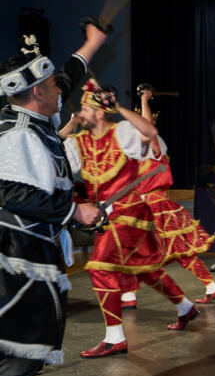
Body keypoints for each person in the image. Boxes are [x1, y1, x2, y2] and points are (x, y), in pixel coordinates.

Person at [0, 26, 106, 376]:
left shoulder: (38, 118)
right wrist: (74, 211)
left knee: (34, 338)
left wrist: (93, 43)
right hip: (16, 254)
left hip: (36, 249)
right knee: (24, 343)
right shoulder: (18, 134)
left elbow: (67, 73)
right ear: (34, 93)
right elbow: (10, 193)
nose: (59, 89)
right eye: (50, 86)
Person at [64, 79, 200, 358]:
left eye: (84, 109)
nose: (80, 114)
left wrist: (120, 107)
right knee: (144, 270)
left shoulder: (122, 132)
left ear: (99, 112)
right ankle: (186, 307)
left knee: (99, 266)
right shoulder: (78, 143)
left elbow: (150, 131)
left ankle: (115, 338)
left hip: (132, 214)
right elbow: (53, 160)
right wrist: (65, 130)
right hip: (110, 219)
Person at [113, 86, 215, 308]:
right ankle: (210, 286)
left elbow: (148, 128)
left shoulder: (152, 146)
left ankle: (129, 296)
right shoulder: (136, 155)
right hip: (154, 206)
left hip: (154, 207)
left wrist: (144, 99)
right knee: (178, 250)